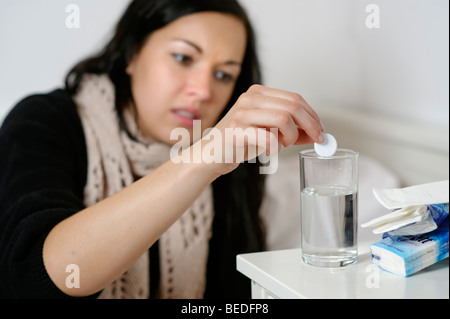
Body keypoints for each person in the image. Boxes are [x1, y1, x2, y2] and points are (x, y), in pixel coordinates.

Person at [0, 0, 324, 299]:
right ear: (132, 52)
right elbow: (33, 278)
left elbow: (231, 295)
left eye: (224, 74)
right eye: (183, 58)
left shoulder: (231, 155)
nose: (203, 90)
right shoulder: (44, 122)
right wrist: (201, 158)